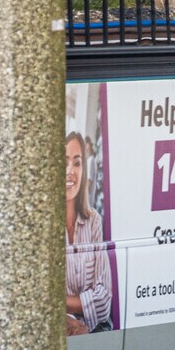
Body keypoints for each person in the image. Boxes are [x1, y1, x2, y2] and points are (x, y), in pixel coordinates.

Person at [64, 131, 111, 335]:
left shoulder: (93, 221)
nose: (69, 171)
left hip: (90, 333)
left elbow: (104, 300)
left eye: (77, 163)